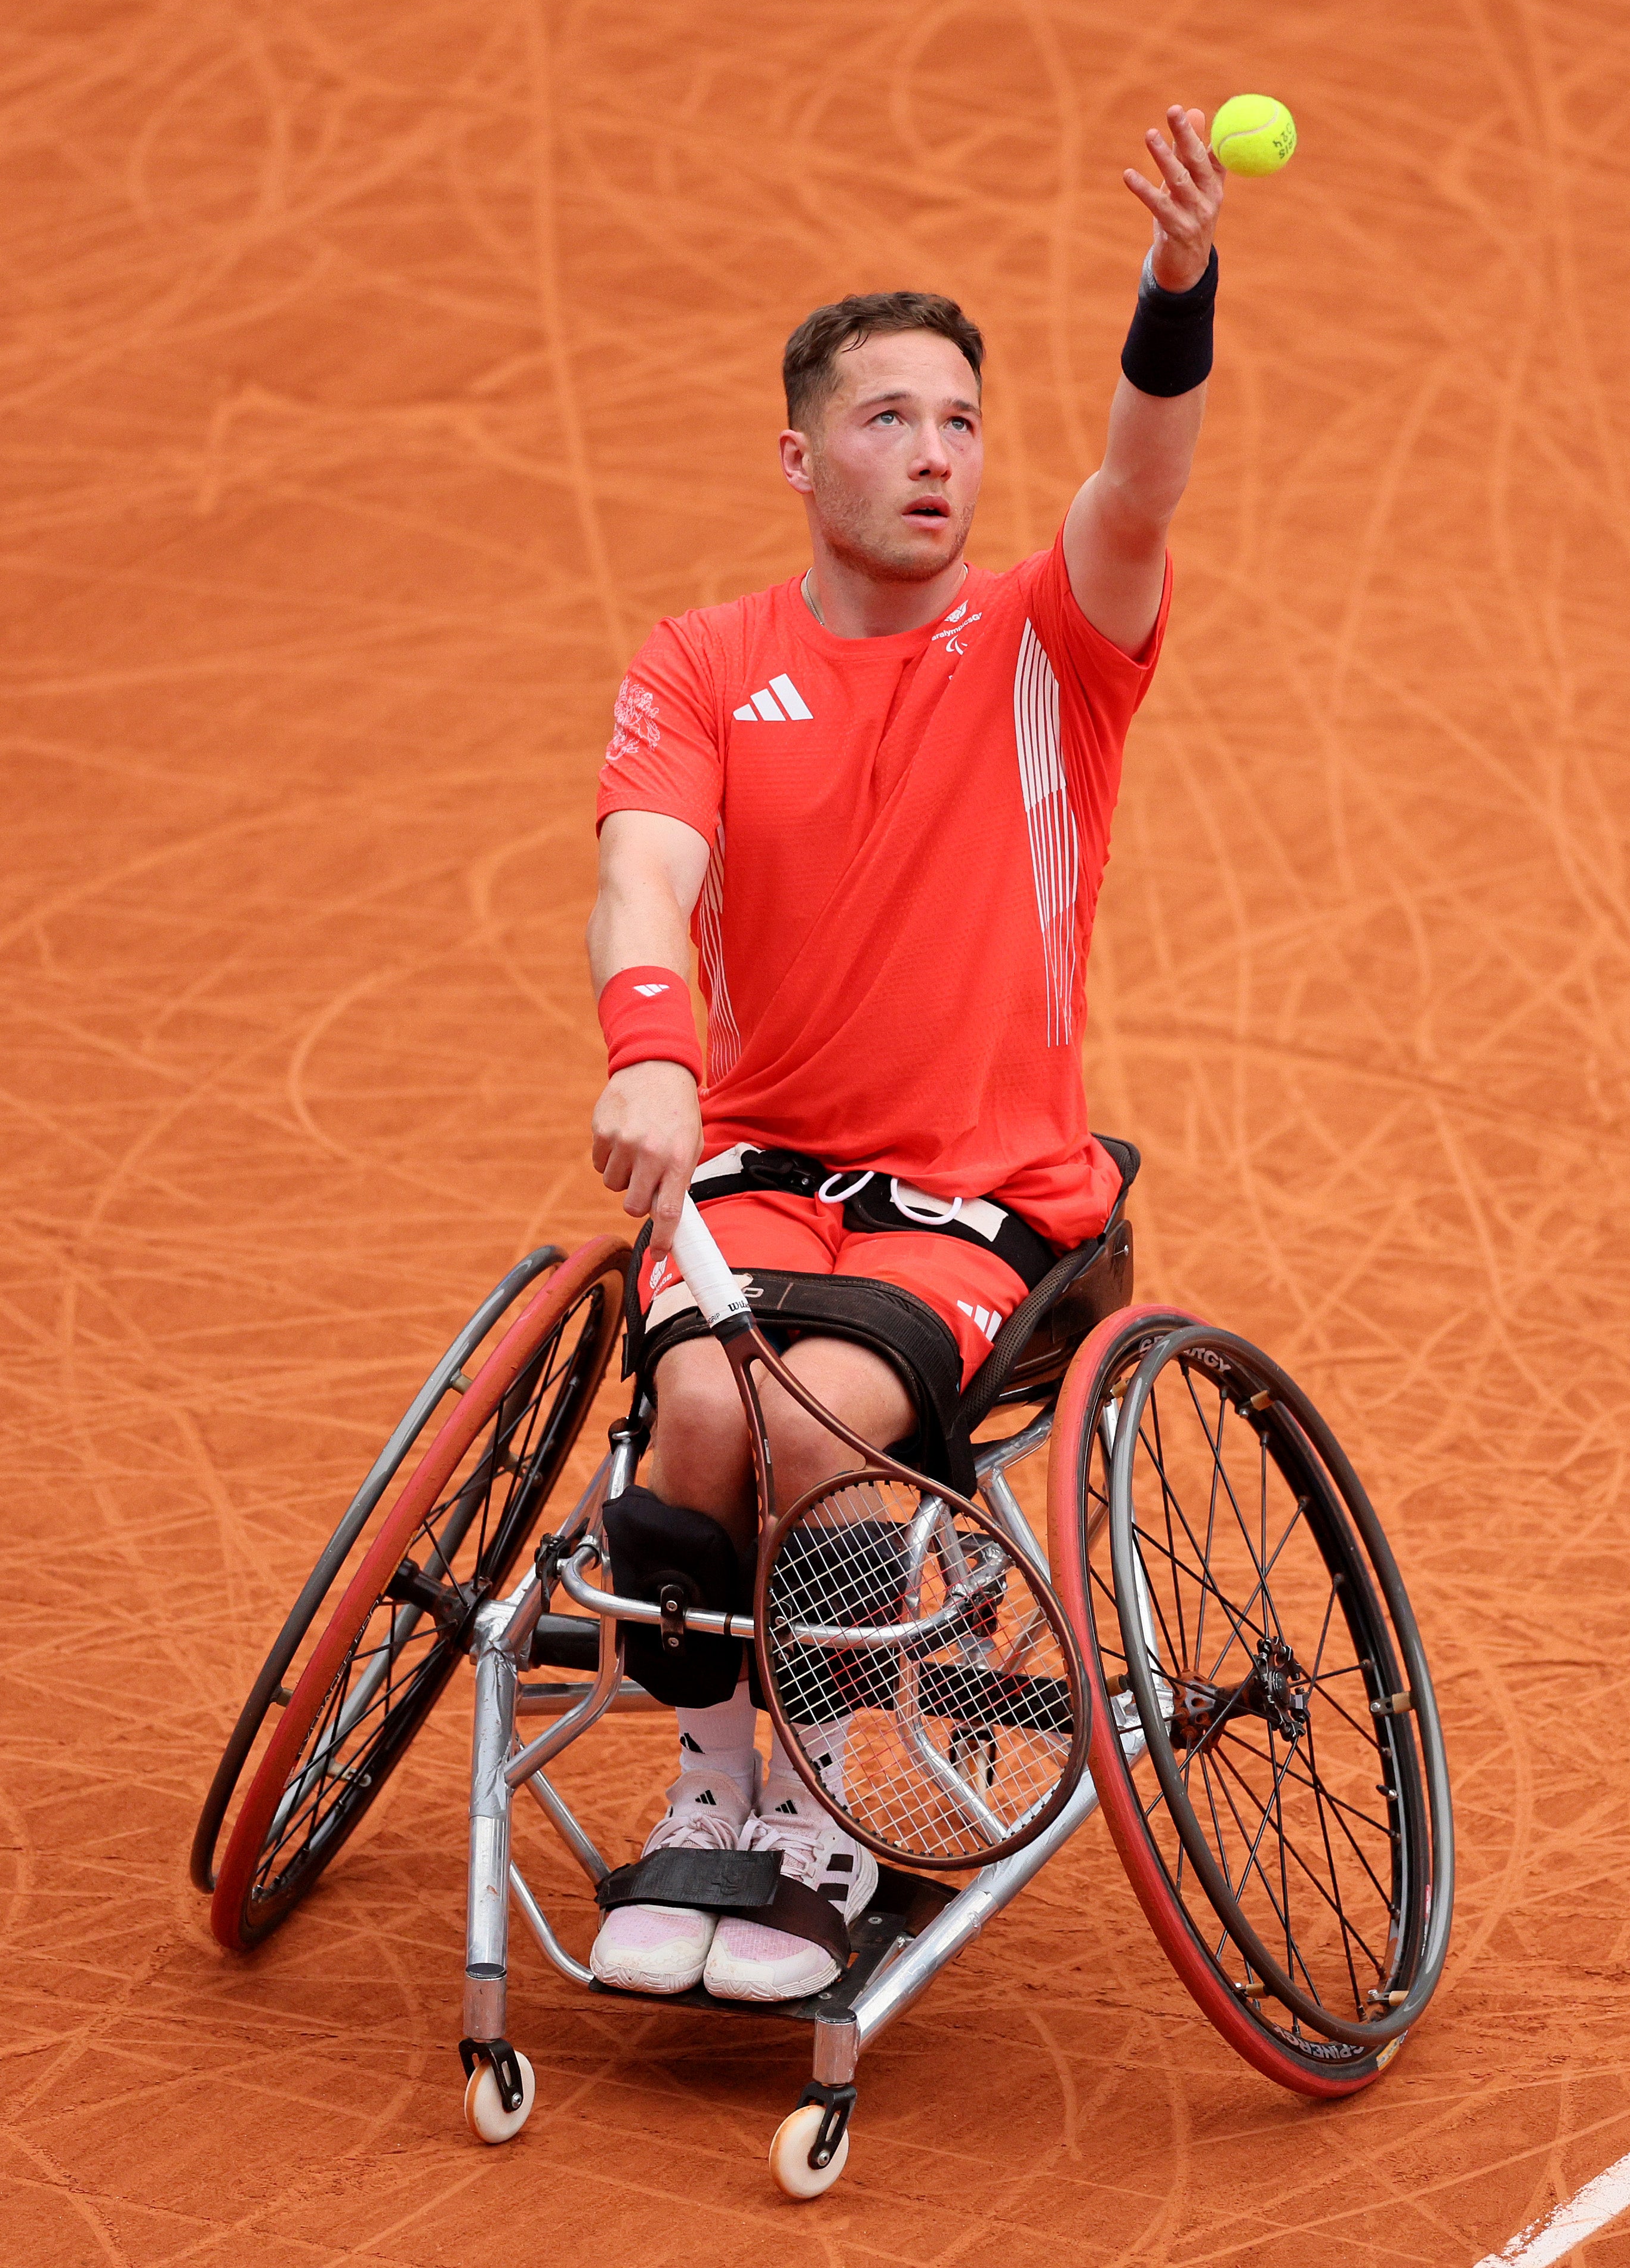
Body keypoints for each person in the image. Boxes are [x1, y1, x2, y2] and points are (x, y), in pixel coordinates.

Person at [574, 104, 1232, 2004]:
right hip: (762, 1159)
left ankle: (817, 1814)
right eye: (887, 419)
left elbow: (1139, 482)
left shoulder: (1048, 639)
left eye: (956, 421)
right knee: (697, 1416)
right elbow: (645, 872)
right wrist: (651, 1052)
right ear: (799, 456)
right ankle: (716, 1794)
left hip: (983, 1189)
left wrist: (1175, 285)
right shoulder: (701, 662)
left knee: (790, 1415)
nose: (934, 454)